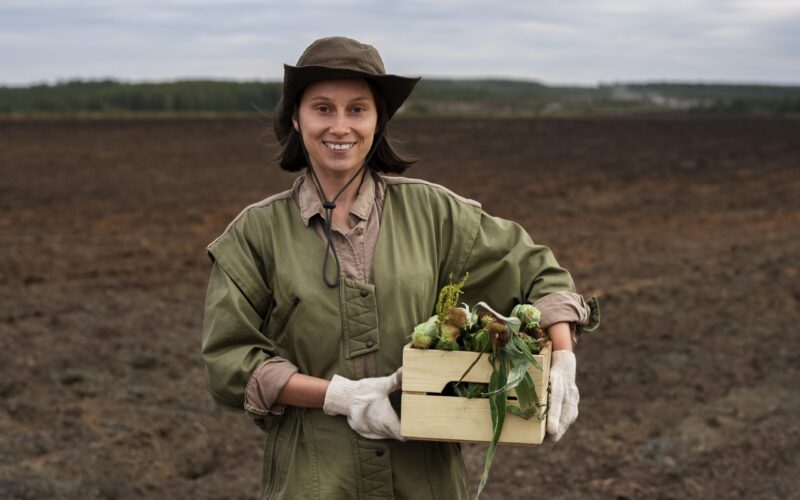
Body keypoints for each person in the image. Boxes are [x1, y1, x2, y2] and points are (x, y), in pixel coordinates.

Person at [201, 36, 598, 499]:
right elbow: (229, 362)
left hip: (425, 480)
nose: (340, 126)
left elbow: (538, 273)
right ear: (296, 118)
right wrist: (339, 397)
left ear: (378, 120)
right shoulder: (254, 235)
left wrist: (562, 357)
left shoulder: (435, 214)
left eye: (357, 109)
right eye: (323, 109)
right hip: (313, 481)